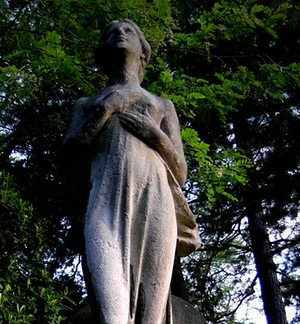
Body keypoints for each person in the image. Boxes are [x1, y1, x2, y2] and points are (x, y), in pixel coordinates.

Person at [62, 19, 200, 323]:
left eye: (128, 31)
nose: (120, 34)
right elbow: (69, 155)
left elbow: (180, 172)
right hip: (104, 204)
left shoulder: (162, 105)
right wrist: (107, 109)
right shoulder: (87, 104)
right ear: (103, 52)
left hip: (155, 205)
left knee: (151, 315)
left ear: (143, 53)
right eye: (111, 32)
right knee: (110, 311)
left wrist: (154, 134)